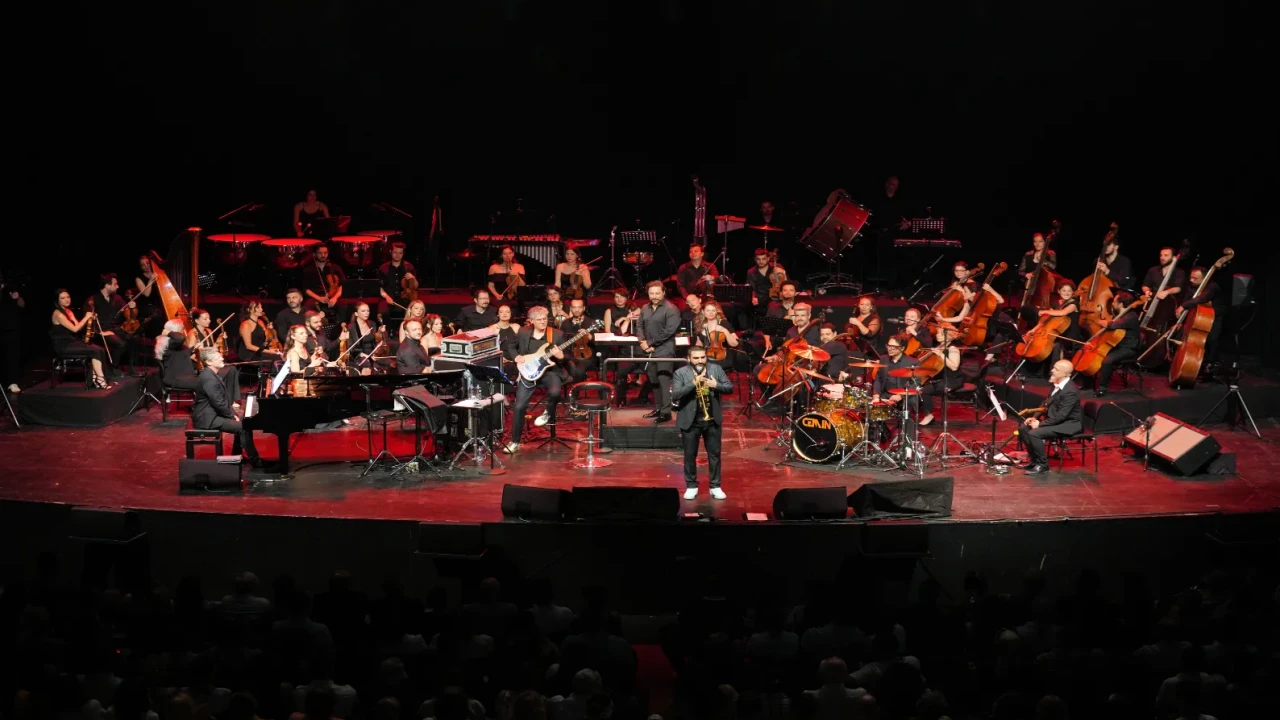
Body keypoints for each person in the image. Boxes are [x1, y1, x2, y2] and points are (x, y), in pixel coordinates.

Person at [672, 346, 734, 500]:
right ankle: (691, 486)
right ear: (689, 359)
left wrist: (716, 385)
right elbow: (676, 395)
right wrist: (693, 383)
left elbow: (729, 387)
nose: (700, 361)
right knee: (689, 455)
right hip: (690, 421)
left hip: (712, 420)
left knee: (715, 455)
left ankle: (715, 486)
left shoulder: (716, 369)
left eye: (702, 357)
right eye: (696, 358)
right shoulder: (680, 373)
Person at [503, 306, 565, 453]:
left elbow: (567, 356)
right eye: (539, 320)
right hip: (528, 372)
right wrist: (516, 357)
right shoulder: (523, 332)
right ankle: (515, 441)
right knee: (519, 407)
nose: (543, 322)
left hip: (549, 372)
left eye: (545, 319)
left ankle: (548, 412)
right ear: (531, 321)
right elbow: (511, 347)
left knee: (556, 392)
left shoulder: (556, 334)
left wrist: (561, 356)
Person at [193, 347, 261, 465]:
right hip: (207, 418)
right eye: (218, 357)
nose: (222, 358)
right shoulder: (209, 379)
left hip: (213, 413)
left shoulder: (213, 374)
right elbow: (218, 403)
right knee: (243, 427)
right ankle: (255, 461)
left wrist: (233, 414)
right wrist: (231, 416)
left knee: (244, 423)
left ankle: (236, 456)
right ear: (209, 362)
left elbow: (223, 401)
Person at [1019, 359, 1082, 475]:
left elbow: (1062, 416)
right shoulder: (1056, 384)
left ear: (1066, 374)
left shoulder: (1070, 391)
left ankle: (1043, 465)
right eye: (1053, 367)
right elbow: (1045, 404)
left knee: (1034, 433)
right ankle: (1035, 460)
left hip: (1068, 424)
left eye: (1056, 369)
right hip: (1056, 421)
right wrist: (1035, 418)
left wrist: (1040, 424)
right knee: (1023, 428)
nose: (1052, 370)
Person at [635, 281, 682, 423]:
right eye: (651, 293)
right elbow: (639, 326)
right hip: (648, 350)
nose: (654, 296)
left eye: (657, 293)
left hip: (664, 350)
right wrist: (643, 342)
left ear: (663, 293)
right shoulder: (645, 308)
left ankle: (666, 412)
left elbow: (669, 331)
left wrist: (650, 343)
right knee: (653, 380)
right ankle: (658, 408)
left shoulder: (671, 309)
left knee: (663, 380)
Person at [50, 289, 110, 388]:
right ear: (57, 300)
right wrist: (86, 317)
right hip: (63, 346)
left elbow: (78, 326)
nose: (67, 300)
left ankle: (95, 379)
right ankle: (100, 379)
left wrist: (90, 318)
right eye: (63, 298)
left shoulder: (68, 311)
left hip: (72, 342)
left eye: (68, 297)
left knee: (100, 349)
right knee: (94, 351)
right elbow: (75, 329)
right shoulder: (58, 314)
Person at [872, 334, 923, 451]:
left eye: (893, 347)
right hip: (886, 394)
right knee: (871, 410)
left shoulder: (912, 362)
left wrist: (901, 395)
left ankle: (907, 446)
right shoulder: (884, 359)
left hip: (904, 396)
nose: (890, 349)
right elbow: (878, 379)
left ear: (902, 348)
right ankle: (881, 439)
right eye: (888, 346)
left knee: (907, 411)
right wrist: (876, 394)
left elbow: (916, 383)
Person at [87, 273, 140, 376]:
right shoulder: (93, 300)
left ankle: (132, 367)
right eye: (115, 284)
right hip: (101, 331)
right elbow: (89, 320)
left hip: (115, 329)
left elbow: (127, 314)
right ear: (107, 285)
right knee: (121, 344)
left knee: (134, 338)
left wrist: (132, 308)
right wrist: (100, 332)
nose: (118, 286)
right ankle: (113, 368)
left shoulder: (117, 298)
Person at [1093, 291, 1145, 397]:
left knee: (1107, 361)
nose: (1112, 303)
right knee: (1095, 353)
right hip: (1118, 346)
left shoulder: (1131, 316)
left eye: (1114, 301)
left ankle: (1103, 388)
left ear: (1120, 304)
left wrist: (1100, 321)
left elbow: (1112, 325)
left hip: (1129, 349)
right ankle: (1089, 382)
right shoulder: (1121, 315)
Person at [1179, 265, 1226, 370]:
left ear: (1205, 278)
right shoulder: (1191, 286)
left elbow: (1202, 298)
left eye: (1195, 278)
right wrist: (1180, 320)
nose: (1191, 280)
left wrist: (1183, 306)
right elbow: (1187, 299)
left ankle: (1211, 364)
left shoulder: (1212, 286)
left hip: (1214, 316)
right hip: (1199, 316)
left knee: (1211, 340)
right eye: (1191, 277)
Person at [919, 323, 964, 426]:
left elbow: (954, 367)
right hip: (942, 378)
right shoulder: (940, 347)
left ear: (948, 335)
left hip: (953, 379)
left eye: (940, 333)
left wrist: (941, 354)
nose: (937, 335)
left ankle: (929, 415)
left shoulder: (953, 349)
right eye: (937, 333)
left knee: (925, 390)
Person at [602, 289, 640, 406]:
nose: (619, 299)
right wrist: (625, 320)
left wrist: (625, 318)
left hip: (631, 340)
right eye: (617, 297)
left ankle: (641, 390)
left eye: (622, 297)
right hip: (616, 338)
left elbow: (641, 310)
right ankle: (621, 398)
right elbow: (608, 330)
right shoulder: (610, 311)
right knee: (622, 363)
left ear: (626, 298)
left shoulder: (631, 309)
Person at [1036, 281, 1084, 365]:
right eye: (1064, 290)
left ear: (1073, 292)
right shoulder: (1057, 303)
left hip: (1070, 337)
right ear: (1059, 291)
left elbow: (1063, 312)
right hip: (1058, 334)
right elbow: (1046, 319)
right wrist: (1034, 330)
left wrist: (1044, 311)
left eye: (1069, 291)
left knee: (1055, 346)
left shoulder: (1074, 304)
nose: (1066, 293)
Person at [377, 241, 417, 323]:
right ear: (391, 252)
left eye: (400, 253)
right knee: (383, 313)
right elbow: (380, 287)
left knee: (414, 312)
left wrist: (413, 278)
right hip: (387, 298)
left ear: (403, 254)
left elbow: (415, 287)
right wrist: (386, 297)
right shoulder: (383, 268)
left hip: (405, 299)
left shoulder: (409, 267)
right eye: (395, 252)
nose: (397, 255)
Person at [694, 301, 741, 369]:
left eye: (713, 310)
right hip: (706, 356)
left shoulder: (723, 323)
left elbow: (735, 343)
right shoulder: (701, 325)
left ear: (717, 312)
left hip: (721, 357)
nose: (711, 313)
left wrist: (724, 330)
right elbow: (699, 344)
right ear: (703, 312)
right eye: (708, 310)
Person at [559, 298, 596, 383]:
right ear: (570, 308)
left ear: (584, 308)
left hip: (586, 355)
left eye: (579, 307)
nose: (577, 310)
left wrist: (588, 335)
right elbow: (561, 341)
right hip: (569, 354)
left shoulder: (591, 323)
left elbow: (597, 342)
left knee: (578, 370)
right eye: (574, 307)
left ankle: (576, 389)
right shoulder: (565, 323)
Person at [303, 245, 345, 311]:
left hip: (334, 296)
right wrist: (319, 298)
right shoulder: (308, 270)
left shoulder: (336, 267)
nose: (323, 255)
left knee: (344, 305)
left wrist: (335, 298)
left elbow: (342, 285)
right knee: (308, 306)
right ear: (314, 254)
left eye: (325, 253)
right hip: (316, 296)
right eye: (320, 253)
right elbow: (306, 289)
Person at [344, 303, 384, 373]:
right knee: (374, 366)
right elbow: (351, 348)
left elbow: (376, 341)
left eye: (368, 311)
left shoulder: (372, 324)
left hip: (373, 354)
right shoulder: (351, 327)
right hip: (359, 356)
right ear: (356, 313)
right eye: (363, 311)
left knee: (391, 363)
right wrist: (365, 356)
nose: (366, 313)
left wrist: (380, 333)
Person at [1, 280, 24, 393]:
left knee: (12, 356)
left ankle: (12, 382)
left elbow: (22, 304)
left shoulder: (10, 288)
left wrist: (17, 297)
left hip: (11, 329)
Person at [1097, 223, 1132, 290]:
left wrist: (1107, 271)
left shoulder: (1124, 261)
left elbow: (1123, 280)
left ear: (1116, 247)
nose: (1105, 247)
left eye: (1108, 245)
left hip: (1117, 293)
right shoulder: (1098, 260)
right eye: (1105, 245)